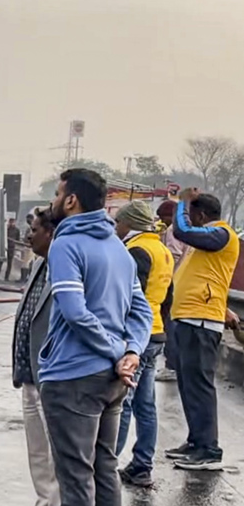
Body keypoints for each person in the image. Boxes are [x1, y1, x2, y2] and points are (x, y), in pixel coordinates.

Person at [11, 168, 152, 506]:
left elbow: (72, 309)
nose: (53, 201)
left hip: (74, 376)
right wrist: (130, 353)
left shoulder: (68, 244)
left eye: (57, 193)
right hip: (112, 381)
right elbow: (141, 310)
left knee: (75, 477)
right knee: (104, 469)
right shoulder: (118, 248)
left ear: (71, 201)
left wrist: (114, 353)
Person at [163, 191, 241, 471]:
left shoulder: (221, 234)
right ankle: (197, 441)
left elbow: (181, 230)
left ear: (202, 215)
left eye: (192, 214)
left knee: (199, 386)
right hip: (189, 318)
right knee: (188, 385)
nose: (189, 221)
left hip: (201, 321)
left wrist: (181, 201)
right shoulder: (207, 240)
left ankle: (209, 449)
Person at [8, 207, 59, 506]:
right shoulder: (41, 264)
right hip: (31, 375)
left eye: (36, 229)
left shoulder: (66, 265)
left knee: (58, 460)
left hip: (52, 377)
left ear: (53, 232)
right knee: (38, 456)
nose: (29, 236)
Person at [113, 200, 174, 487]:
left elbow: (128, 300)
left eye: (119, 222)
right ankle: (142, 466)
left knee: (123, 404)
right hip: (156, 333)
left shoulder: (135, 251)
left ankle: (106, 463)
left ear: (130, 223)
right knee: (146, 405)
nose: (116, 227)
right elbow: (167, 299)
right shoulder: (162, 250)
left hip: (136, 337)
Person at [154, 198, 187, 382]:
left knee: (170, 324)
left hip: (172, 281)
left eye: (164, 217)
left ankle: (171, 365)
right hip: (179, 281)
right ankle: (174, 364)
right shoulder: (182, 229)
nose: (162, 221)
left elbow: (173, 255)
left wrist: (163, 272)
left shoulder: (174, 230)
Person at [0, 217, 20, 281]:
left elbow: (18, 239)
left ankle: (6, 277)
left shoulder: (17, 230)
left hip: (11, 247)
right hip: (5, 246)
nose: (11, 223)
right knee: (0, 261)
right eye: (10, 222)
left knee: (9, 263)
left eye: (13, 222)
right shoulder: (6, 229)